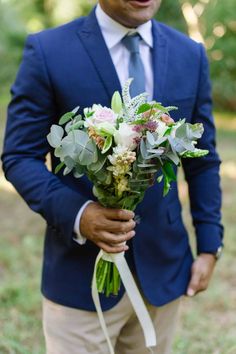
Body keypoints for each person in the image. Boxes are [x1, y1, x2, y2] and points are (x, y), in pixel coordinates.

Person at [1, 0, 223, 353]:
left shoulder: (189, 54)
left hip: (163, 274)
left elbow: (204, 159)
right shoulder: (48, 50)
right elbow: (19, 156)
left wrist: (210, 245)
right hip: (78, 279)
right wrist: (79, 214)